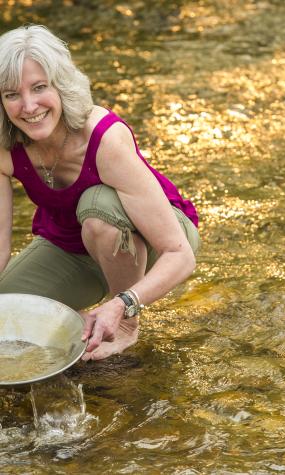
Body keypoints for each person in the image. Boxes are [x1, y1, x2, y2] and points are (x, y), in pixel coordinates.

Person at [0, 25, 200, 361]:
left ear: (61, 85)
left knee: (97, 207)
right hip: (72, 245)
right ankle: (85, 322)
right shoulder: (6, 150)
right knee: (7, 312)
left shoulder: (104, 140)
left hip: (152, 239)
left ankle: (124, 326)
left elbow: (180, 254)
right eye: (11, 94)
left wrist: (124, 305)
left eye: (39, 87)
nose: (29, 106)